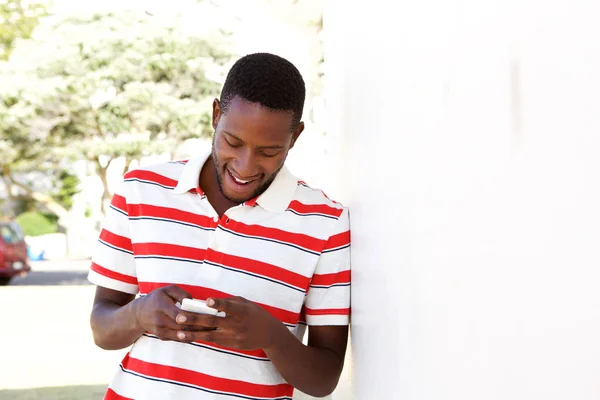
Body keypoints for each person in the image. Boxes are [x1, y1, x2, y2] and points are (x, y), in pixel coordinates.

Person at [88, 52, 351, 400]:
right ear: (216, 115)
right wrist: (139, 314)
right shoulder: (140, 191)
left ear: (295, 137)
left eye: (269, 151)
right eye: (233, 142)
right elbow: (103, 329)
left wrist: (270, 336)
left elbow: (324, 380)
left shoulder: (326, 223)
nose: (245, 165)